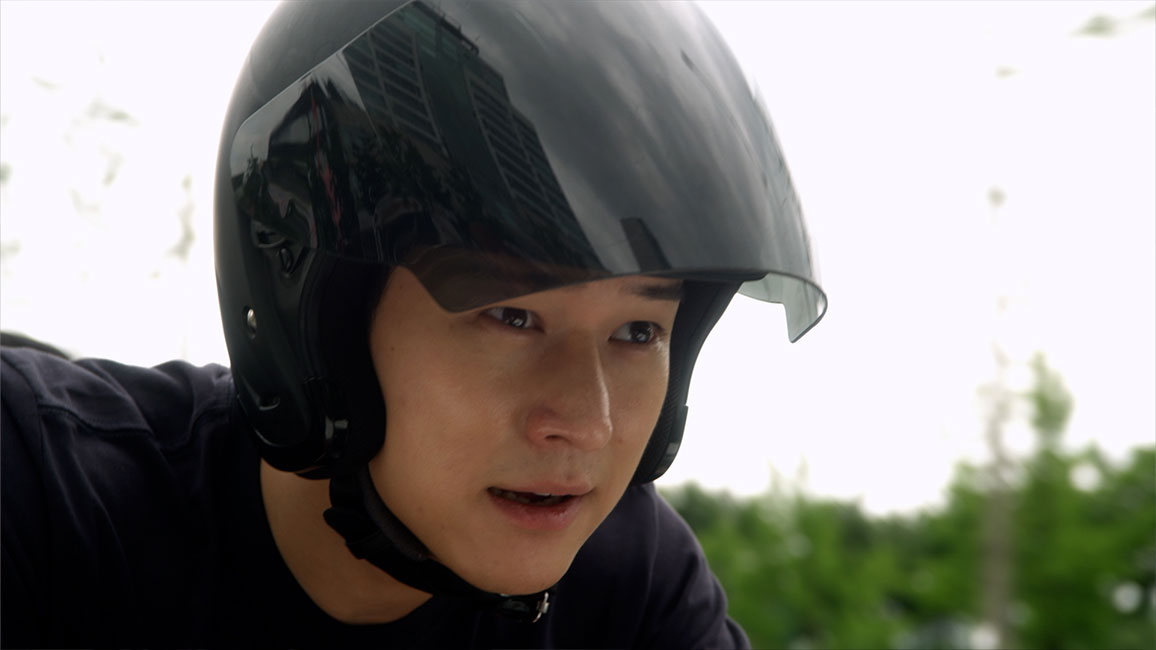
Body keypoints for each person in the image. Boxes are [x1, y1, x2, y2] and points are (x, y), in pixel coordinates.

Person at [0, 1, 826, 647]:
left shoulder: (631, 587)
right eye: (513, 316)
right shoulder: (47, 497)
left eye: (639, 333)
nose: (587, 423)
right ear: (315, 331)